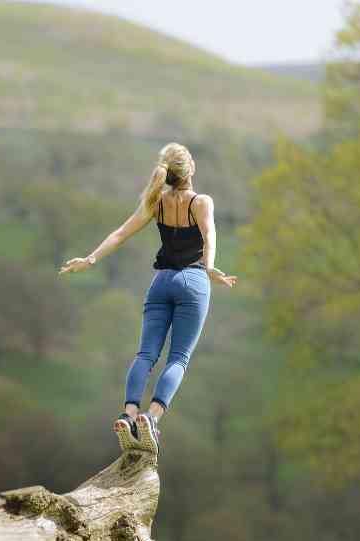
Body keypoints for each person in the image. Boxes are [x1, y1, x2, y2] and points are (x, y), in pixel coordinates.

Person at [59, 143, 237, 455]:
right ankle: (151, 418)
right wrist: (209, 268)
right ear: (190, 170)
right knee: (178, 357)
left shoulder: (156, 201)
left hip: (161, 283)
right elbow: (209, 235)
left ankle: (127, 415)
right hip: (192, 282)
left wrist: (90, 260)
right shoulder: (201, 202)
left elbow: (119, 234)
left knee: (145, 354)